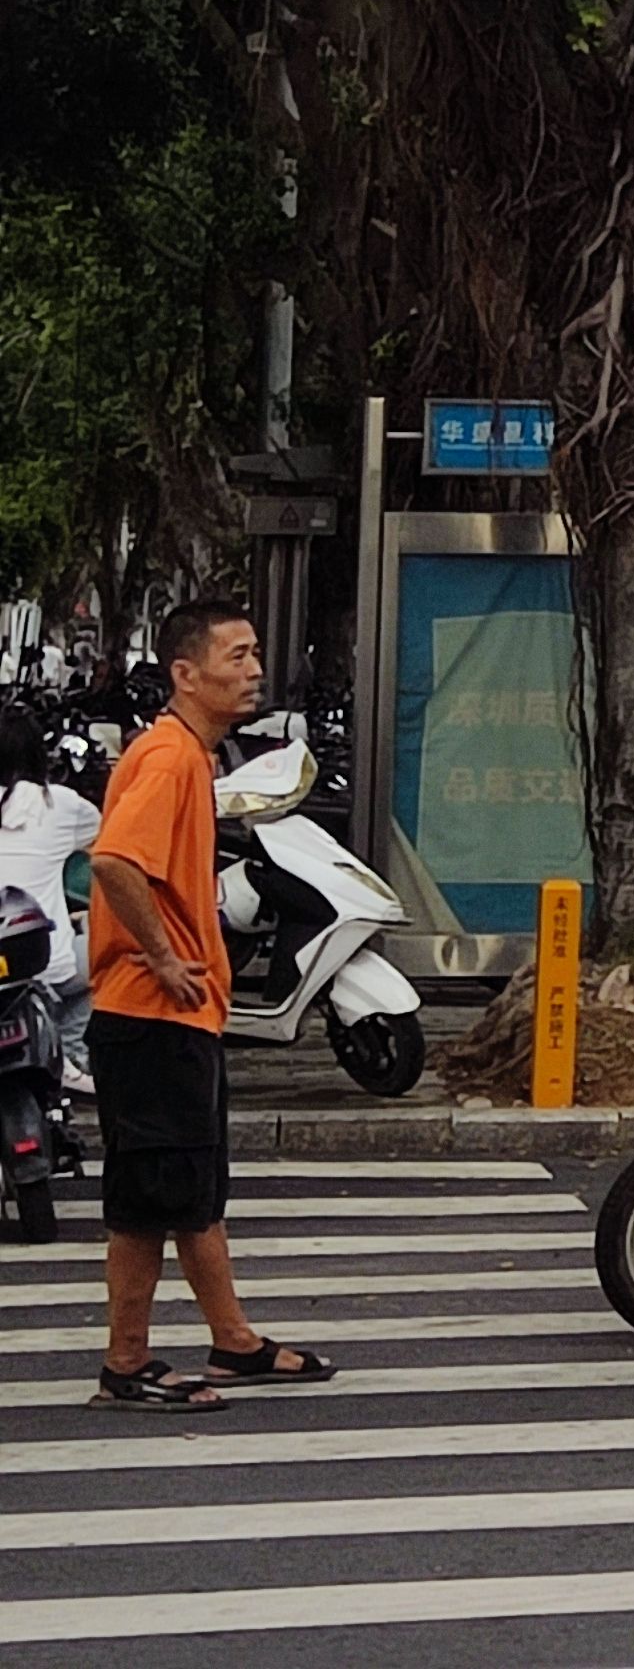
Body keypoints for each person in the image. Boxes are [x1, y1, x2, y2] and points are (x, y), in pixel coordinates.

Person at [85, 600, 336, 1408]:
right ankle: (127, 1363)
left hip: (173, 1016)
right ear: (185, 674)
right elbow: (115, 862)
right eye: (237, 656)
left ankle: (233, 1342)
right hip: (150, 1013)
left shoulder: (189, 756)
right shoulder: (168, 758)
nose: (254, 670)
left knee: (190, 1192)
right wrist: (163, 957)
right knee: (150, 1199)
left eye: (256, 653)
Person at [0, 704, 99, 1096]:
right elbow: (100, 843)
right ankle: (71, 1053)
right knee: (109, 953)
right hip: (45, 964)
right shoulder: (60, 804)